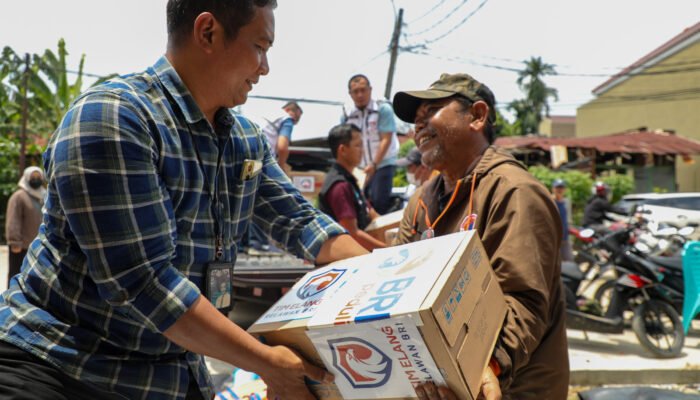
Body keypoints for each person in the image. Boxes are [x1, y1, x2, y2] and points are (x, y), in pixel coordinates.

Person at [0, 2, 368, 400]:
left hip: (169, 376)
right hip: (60, 367)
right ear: (207, 32)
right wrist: (266, 362)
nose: (265, 68)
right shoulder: (113, 118)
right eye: (260, 47)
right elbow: (146, 282)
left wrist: (392, 280)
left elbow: (302, 223)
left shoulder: (244, 140)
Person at [392, 73, 569, 399]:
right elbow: (398, 284)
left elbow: (523, 302)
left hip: (509, 388)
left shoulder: (514, 191)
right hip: (444, 383)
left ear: (477, 115)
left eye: (430, 112)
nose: (418, 127)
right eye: (415, 121)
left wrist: (484, 366)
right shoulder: (420, 201)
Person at [318, 124, 386, 251]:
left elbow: (371, 213)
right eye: (358, 145)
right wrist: (388, 249)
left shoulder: (350, 180)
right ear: (342, 150)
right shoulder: (339, 186)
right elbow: (352, 233)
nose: (362, 151)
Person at [341, 74, 399, 214]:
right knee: (360, 206)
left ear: (370, 89)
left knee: (379, 202)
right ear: (350, 94)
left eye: (363, 90)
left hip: (382, 164)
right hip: (360, 169)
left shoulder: (382, 108)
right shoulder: (347, 115)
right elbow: (345, 143)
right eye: (355, 91)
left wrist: (374, 164)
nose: (360, 94)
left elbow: (386, 138)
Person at [4, 166, 45, 281]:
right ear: (26, 178)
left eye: (38, 177)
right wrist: (14, 242)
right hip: (21, 246)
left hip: (38, 246)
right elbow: (13, 220)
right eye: (33, 177)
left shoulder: (44, 195)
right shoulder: (19, 197)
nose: (36, 179)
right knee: (16, 275)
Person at [261, 100, 302, 174]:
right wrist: (281, 167)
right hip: (263, 158)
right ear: (287, 110)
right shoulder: (287, 119)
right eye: (296, 116)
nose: (294, 120)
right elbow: (282, 147)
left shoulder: (267, 113)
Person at [552, 178, 574, 262]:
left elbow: (569, 219)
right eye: (558, 187)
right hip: (554, 239)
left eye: (561, 188)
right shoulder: (550, 201)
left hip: (565, 238)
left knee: (569, 261)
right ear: (553, 188)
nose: (560, 190)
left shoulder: (567, 202)